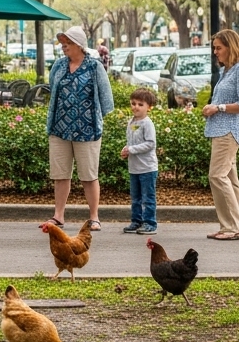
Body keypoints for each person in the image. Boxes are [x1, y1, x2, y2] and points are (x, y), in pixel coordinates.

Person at [45, 25, 114, 230]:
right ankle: (58, 215)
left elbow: (106, 97)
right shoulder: (58, 65)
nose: (63, 46)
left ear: (78, 44)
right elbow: (52, 88)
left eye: (67, 42)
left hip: (88, 130)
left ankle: (94, 217)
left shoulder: (94, 66)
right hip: (59, 128)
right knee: (60, 174)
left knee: (89, 175)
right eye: (62, 42)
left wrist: (95, 118)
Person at [201, 29, 239, 241]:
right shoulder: (229, 70)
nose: (215, 52)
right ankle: (231, 226)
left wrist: (218, 108)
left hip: (229, 130)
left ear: (231, 47)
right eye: (214, 48)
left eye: (218, 48)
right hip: (221, 130)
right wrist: (213, 107)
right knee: (230, 179)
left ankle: (233, 227)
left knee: (217, 175)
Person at [120, 87, 159, 235]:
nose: (136, 107)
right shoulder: (131, 122)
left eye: (140, 104)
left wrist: (132, 150)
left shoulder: (147, 123)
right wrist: (126, 150)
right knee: (135, 198)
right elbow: (132, 142)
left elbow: (150, 144)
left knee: (148, 198)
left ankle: (150, 223)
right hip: (134, 168)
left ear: (149, 107)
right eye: (133, 103)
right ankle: (136, 221)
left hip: (147, 168)